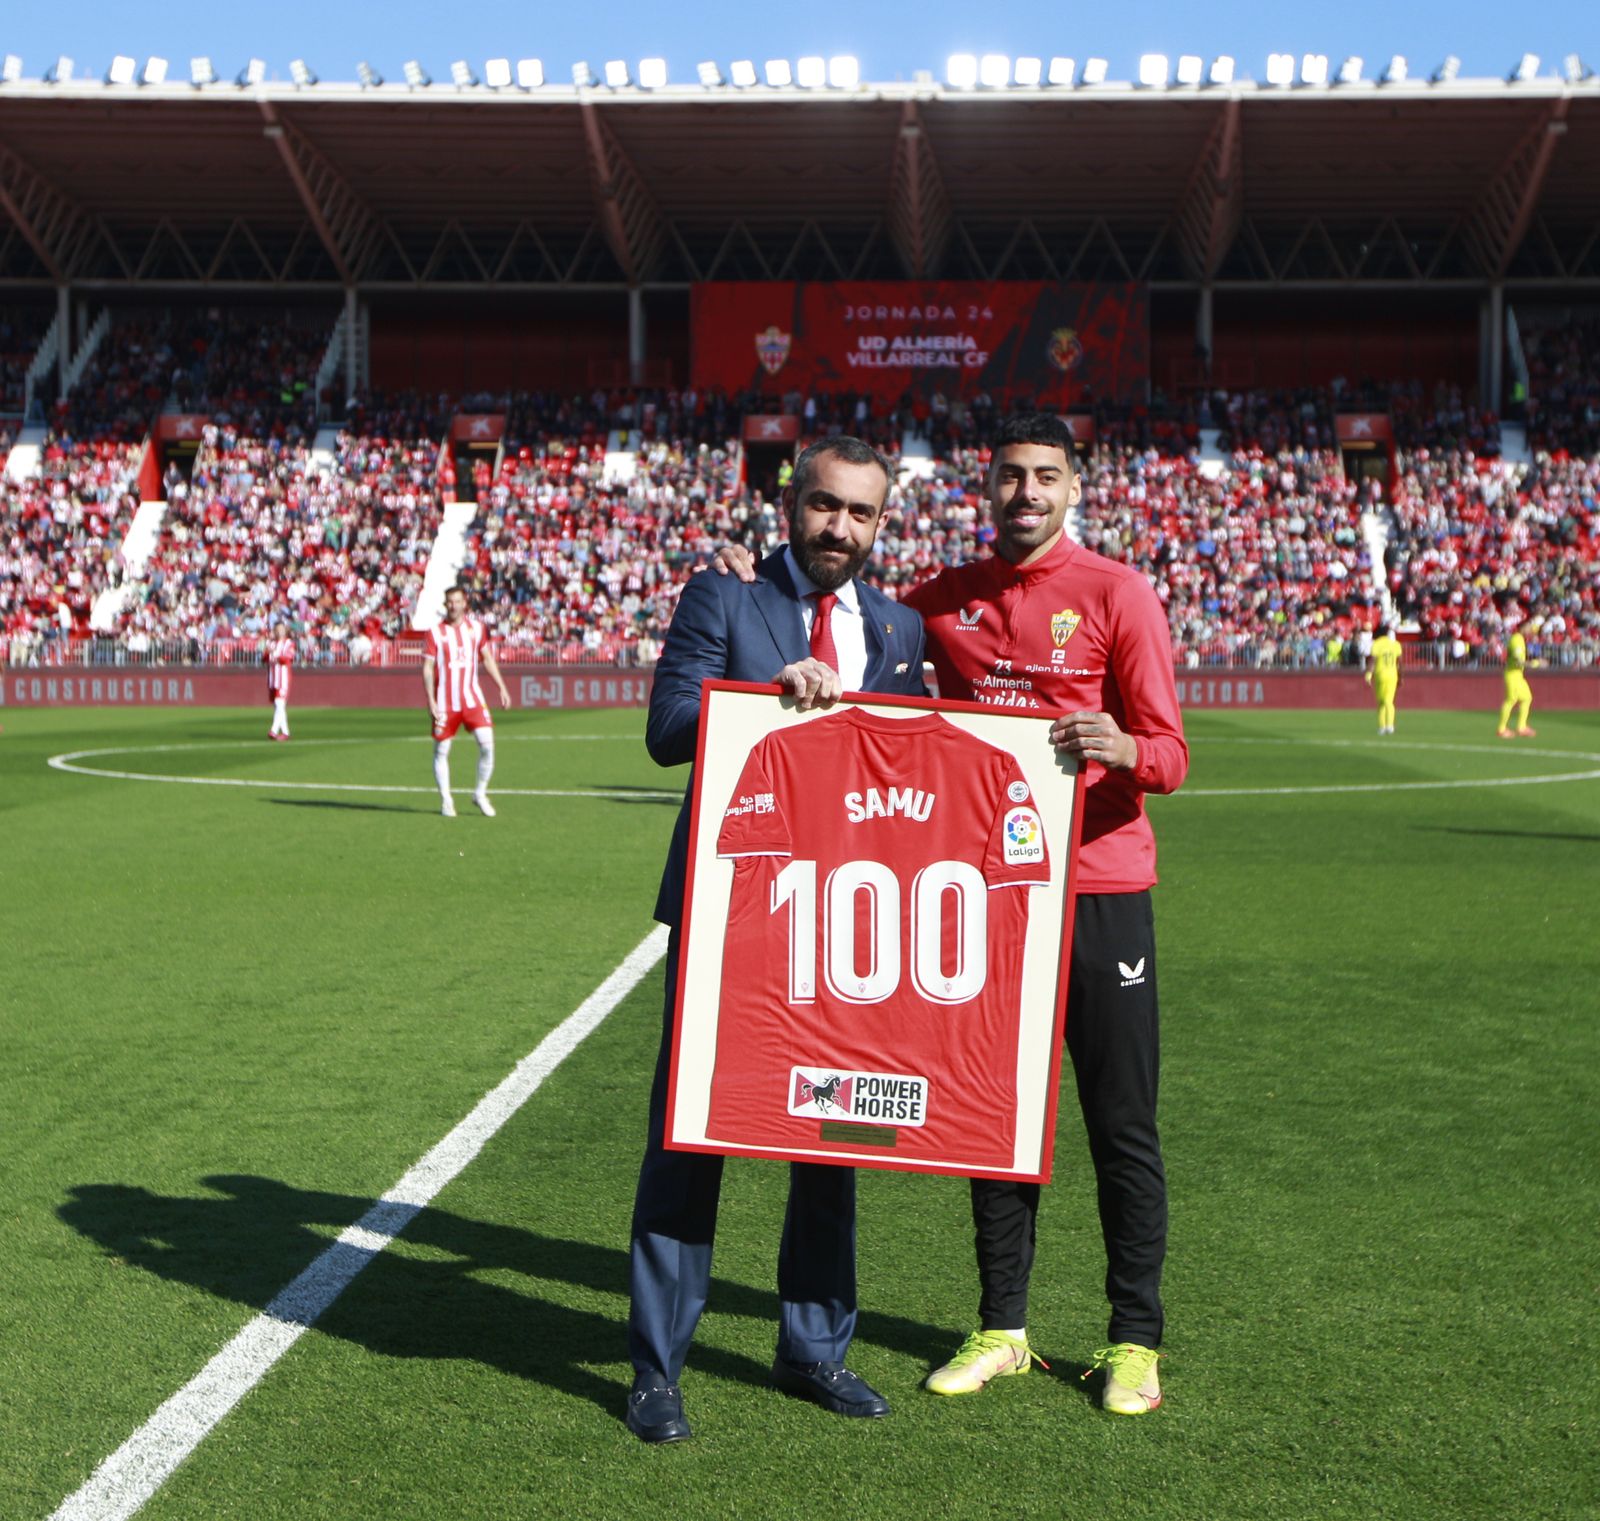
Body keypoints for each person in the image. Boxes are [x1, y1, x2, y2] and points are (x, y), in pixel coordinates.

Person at [714, 413, 1188, 1416]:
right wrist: (759, 595)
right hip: (998, 897)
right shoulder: (941, 601)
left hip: (1101, 890)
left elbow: (1171, 755)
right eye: (1012, 475)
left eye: (1046, 476)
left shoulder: (1119, 593)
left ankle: (1134, 1339)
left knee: (1120, 1122)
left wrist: (1123, 748)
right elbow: (854, 630)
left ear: (1072, 488)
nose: (1027, 492)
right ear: (989, 486)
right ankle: (1003, 1327)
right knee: (999, 1120)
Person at [627, 436, 926, 1445]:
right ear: (791, 504)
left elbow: (911, 766)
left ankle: (814, 1350)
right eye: (825, 505)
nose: (840, 527)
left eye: (861, 512)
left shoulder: (897, 627)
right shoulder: (725, 596)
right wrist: (768, 701)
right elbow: (668, 726)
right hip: (730, 910)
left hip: (839, 919)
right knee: (690, 1137)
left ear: (880, 523)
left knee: (832, 1136)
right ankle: (657, 1368)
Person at [423, 585, 511, 818]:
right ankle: (446, 800)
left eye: (457, 601)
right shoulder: (435, 633)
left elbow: (487, 658)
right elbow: (428, 668)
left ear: (465, 603)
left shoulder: (477, 629)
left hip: (472, 699)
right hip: (445, 702)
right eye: (449, 601)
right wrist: (430, 699)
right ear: (445, 604)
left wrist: (501, 687)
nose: (453, 605)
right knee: (441, 751)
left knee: (488, 746)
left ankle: (480, 793)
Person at [1496, 620, 1538, 738]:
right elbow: (1517, 661)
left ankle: (1521, 727)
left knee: (1526, 697)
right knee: (1511, 700)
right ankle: (1501, 729)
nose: (1530, 630)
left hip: (1518, 675)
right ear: (1523, 627)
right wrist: (1534, 664)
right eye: (1528, 627)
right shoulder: (1516, 640)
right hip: (1512, 674)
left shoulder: (1520, 639)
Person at [1364, 622, 1402, 734]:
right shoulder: (1395, 644)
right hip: (1392, 675)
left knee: (1381, 702)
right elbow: (1400, 663)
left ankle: (1383, 726)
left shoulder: (1376, 644)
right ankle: (1389, 726)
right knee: (1389, 701)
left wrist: (1368, 674)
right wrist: (1401, 677)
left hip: (1380, 675)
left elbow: (1373, 660)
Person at [266, 621, 294, 741]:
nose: (279, 632)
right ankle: (285, 732)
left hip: (283, 679)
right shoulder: (272, 644)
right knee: (278, 706)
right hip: (272, 679)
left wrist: (274, 654)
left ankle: (273, 730)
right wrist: (267, 652)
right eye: (277, 630)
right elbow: (264, 658)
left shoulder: (289, 643)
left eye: (281, 629)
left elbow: (287, 659)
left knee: (279, 703)